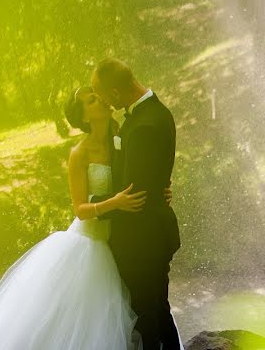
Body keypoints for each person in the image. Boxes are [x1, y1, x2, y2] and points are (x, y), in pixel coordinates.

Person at [0, 86, 149, 349]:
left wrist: (160, 190)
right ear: (85, 117)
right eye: (92, 101)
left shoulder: (121, 137)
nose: (101, 100)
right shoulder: (79, 154)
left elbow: (138, 177)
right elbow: (79, 208)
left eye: (97, 96)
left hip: (123, 238)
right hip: (91, 243)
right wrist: (115, 203)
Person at [90, 58, 183, 350]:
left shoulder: (143, 125)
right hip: (155, 231)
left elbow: (134, 194)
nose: (104, 103)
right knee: (158, 308)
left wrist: (92, 203)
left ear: (116, 93)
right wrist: (159, 191)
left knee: (146, 316)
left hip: (142, 239)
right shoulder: (158, 112)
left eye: (103, 95)